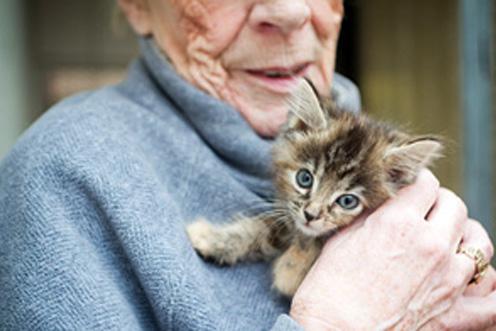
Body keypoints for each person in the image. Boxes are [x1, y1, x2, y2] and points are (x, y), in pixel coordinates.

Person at [0, 0, 495, 329]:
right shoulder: (63, 173)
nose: (289, 10)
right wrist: (339, 321)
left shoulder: (380, 160)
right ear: (136, 5)